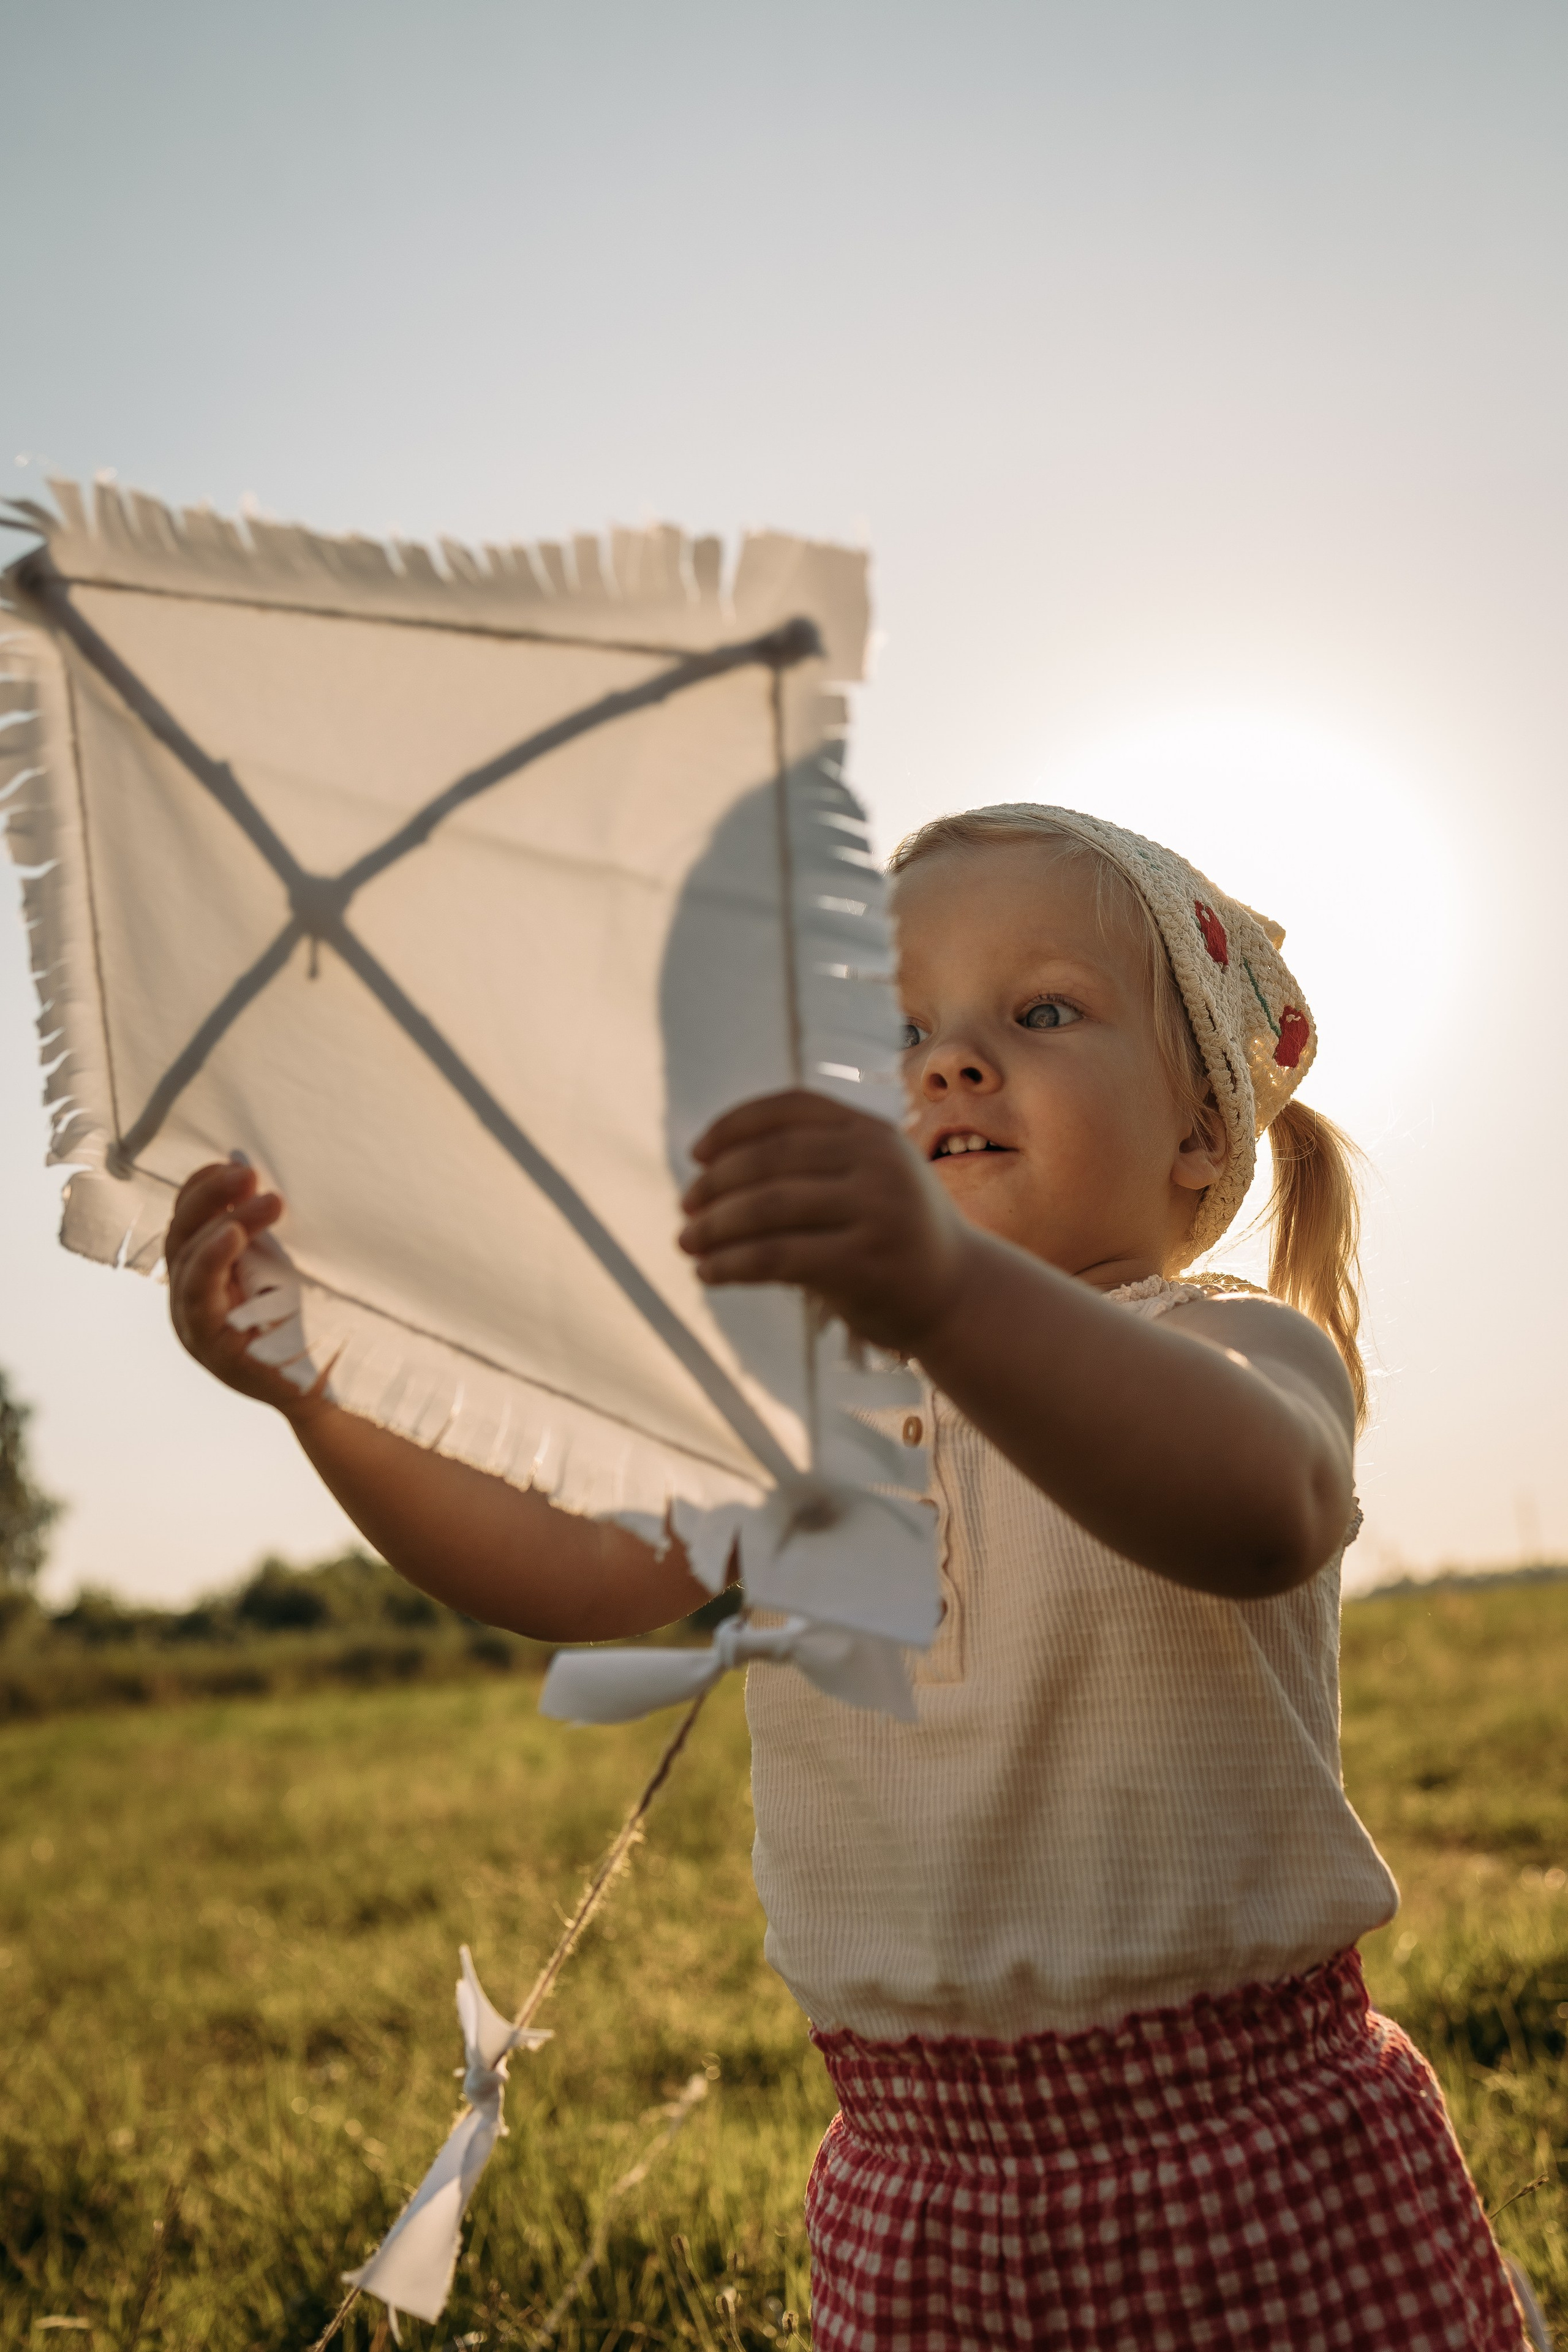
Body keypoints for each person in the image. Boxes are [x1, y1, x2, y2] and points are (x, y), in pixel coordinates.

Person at [165, 803, 1530, 2350]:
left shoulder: (1223, 1346)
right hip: (916, 2179)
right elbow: (559, 1568)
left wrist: (940, 1290)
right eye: (891, 1031)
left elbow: (1257, 1506)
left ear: (1197, 1137)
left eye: (1039, 1013)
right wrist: (315, 1390)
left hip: (1249, 2158)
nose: (947, 1062)